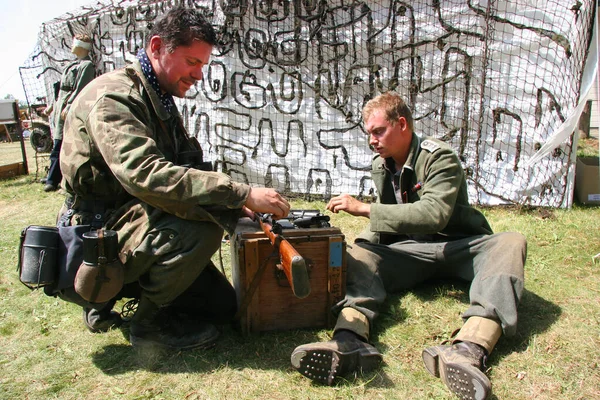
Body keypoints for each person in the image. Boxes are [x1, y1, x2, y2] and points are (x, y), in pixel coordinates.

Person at [55, 7, 290, 350]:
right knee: (203, 227)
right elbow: (146, 175)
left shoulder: (157, 95)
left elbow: (184, 166)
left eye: (203, 65)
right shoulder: (115, 98)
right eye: (192, 62)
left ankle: (107, 298)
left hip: (133, 218)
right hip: (97, 233)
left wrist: (236, 207)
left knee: (222, 307)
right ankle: (147, 324)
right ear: (156, 47)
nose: (198, 75)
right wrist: (240, 194)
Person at [290, 92, 526, 400]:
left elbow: (434, 215)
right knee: (360, 252)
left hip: (457, 246)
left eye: (378, 131)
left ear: (402, 124)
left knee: (510, 242)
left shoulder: (438, 156)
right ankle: (349, 340)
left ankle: (469, 350)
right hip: (411, 251)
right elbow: (391, 223)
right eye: (369, 134)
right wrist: (360, 252)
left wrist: (366, 209)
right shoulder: (382, 165)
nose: (372, 140)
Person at [41, 34, 96, 192]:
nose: (72, 46)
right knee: (57, 141)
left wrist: (70, 105)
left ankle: (55, 179)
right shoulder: (70, 66)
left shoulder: (86, 66)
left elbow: (81, 88)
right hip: (61, 106)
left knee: (64, 144)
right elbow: (60, 90)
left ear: (82, 46)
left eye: (75, 43)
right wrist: (52, 106)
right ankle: (53, 175)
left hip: (69, 108)